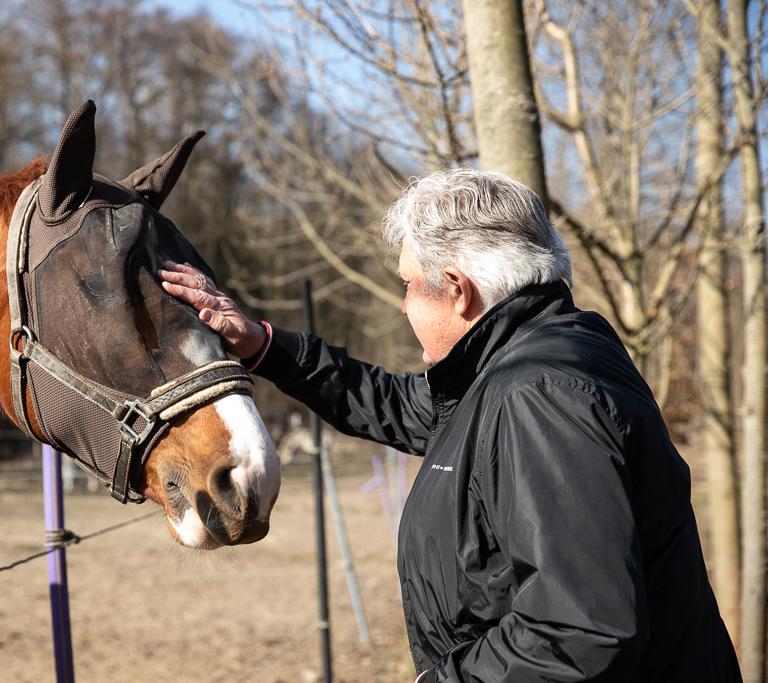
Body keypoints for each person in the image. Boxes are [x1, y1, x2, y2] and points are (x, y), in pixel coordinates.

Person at [158, 169, 740, 682]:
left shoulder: (541, 397)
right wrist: (263, 346)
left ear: (459, 291)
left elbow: (580, 629)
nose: (403, 304)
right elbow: (389, 403)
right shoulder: (526, 365)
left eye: (409, 284)